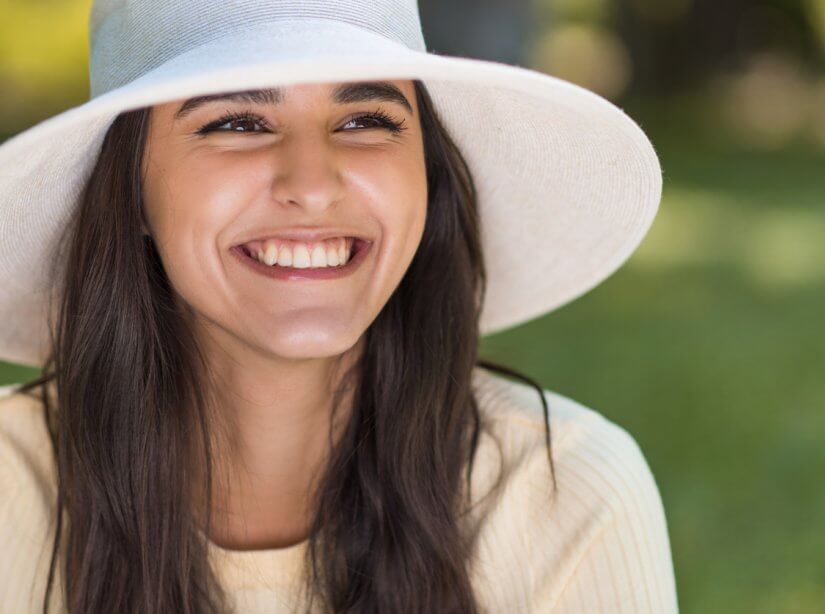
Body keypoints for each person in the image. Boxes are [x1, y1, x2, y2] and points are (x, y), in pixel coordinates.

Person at [0, 1, 678, 612]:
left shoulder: (567, 495)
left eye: (364, 120)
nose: (313, 186)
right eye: (237, 122)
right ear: (129, 190)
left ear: (426, 175)